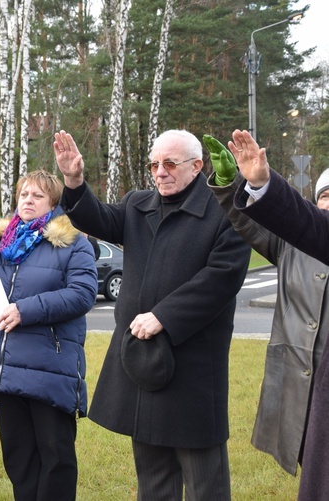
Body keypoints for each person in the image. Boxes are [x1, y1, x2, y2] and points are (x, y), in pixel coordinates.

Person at [54, 129, 250, 500]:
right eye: (154, 164)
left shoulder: (225, 211)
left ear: (197, 166)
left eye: (170, 164)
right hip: (142, 360)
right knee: (154, 477)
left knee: (205, 481)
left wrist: (164, 315)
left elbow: (223, 277)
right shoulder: (137, 204)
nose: (160, 172)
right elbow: (96, 218)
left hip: (192, 367)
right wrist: (74, 180)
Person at [0, 169, 97, 500]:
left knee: (55, 459)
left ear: (53, 203)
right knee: (19, 459)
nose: (28, 200)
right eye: (24, 194)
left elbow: (83, 294)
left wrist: (26, 310)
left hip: (50, 368)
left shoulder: (72, 243)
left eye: (37, 195)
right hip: (7, 370)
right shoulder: (0, 242)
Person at [205, 134, 329, 476]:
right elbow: (247, 220)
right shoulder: (291, 243)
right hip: (298, 374)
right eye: (324, 196)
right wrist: (231, 186)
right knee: (310, 459)